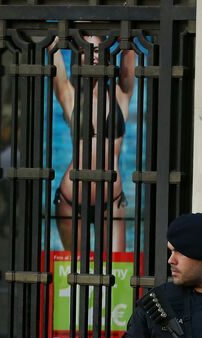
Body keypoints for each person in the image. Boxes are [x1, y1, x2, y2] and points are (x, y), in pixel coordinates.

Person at [50, 35, 135, 253]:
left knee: (116, 275)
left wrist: (124, 31)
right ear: (77, 55)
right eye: (85, 49)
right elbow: (52, 48)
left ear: (107, 54)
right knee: (74, 275)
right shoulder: (70, 95)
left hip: (112, 200)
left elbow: (129, 51)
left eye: (98, 50)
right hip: (71, 197)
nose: (93, 55)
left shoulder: (120, 94)